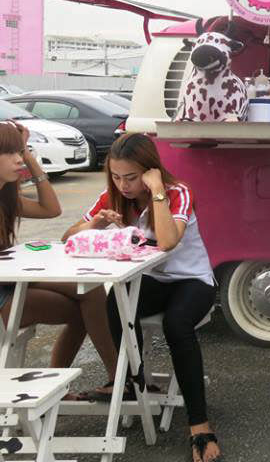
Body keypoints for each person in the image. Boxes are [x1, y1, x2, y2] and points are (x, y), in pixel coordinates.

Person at [62, 133, 223, 462]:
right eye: (117, 177)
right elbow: (68, 237)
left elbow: (166, 242)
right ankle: (137, 382)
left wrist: (158, 191)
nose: (123, 185)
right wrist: (96, 221)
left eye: (132, 177)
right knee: (115, 306)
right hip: (150, 280)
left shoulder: (177, 192)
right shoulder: (114, 195)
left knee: (177, 326)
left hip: (193, 280)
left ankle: (199, 425)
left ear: (150, 171)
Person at [0, 121, 119, 397]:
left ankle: (116, 378)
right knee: (86, 308)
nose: (19, 159)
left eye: (21, 152)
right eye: (11, 153)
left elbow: (51, 210)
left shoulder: (6, 196)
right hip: (5, 293)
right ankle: (116, 377)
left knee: (90, 289)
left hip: (14, 280)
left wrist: (29, 157)